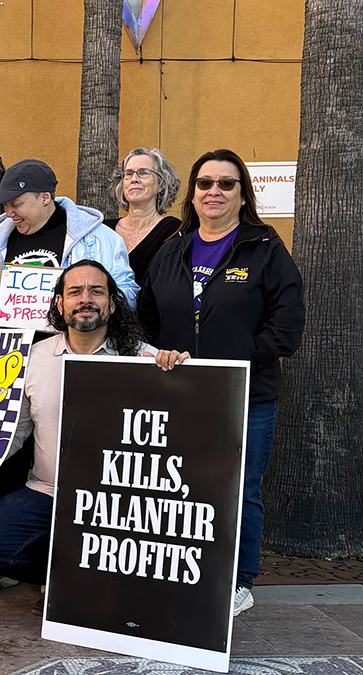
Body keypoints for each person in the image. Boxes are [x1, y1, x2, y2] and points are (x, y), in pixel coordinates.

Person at [138, 149, 305, 616]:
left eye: (226, 184)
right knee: (182, 488)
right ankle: (184, 572)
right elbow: (146, 319)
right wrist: (158, 353)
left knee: (238, 488)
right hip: (178, 395)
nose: (214, 192)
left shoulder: (266, 249)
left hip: (245, 396)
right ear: (191, 194)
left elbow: (286, 329)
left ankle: (238, 580)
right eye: (205, 183)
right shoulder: (172, 250)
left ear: (242, 194)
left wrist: (226, 360)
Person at [0, 260, 188, 590]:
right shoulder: (34, 358)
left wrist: (179, 370)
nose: (86, 299)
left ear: (111, 304)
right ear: (59, 303)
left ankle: (75, 570)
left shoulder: (145, 360)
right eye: (75, 292)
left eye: (96, 291)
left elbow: (187, 418)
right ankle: (72, 568)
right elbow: (12, 433)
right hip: (49, 493)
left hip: (116, 504)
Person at [0, 158, 139, 327]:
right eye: (6, 206)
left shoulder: (102, 240)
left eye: (16, 204)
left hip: (66, 351)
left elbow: (127, 294)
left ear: (45, 198)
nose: (9, 213)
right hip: (6, 352)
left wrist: (91, 311)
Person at [105, 148, 183, 285]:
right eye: (128, 174)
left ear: (161, 184)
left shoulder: (173, 231)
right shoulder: (104, 230)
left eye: (143, 173)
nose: (134, 179)